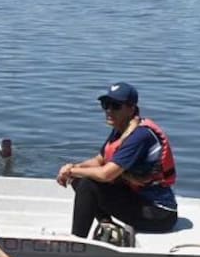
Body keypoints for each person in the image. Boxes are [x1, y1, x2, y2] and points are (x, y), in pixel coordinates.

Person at [56, 82, 178, 238]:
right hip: (138, 199)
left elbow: (106, 174)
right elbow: (99, 160)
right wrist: (72, 168)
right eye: (105, 105)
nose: (109, 110)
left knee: (88, 184)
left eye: (115, 106)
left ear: (131, 109)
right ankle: (108, 226)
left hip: (158, 213)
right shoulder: (121, 129)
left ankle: (77, 242)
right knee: (79, 179)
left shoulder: (140, 136)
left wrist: (73, 171)